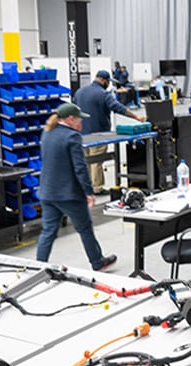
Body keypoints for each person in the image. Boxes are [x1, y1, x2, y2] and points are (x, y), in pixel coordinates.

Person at [36, 103, 117, 271]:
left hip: (48, 191)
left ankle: (37, 265)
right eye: (78, 118)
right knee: (85, 228)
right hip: (68, 194)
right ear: (70, 118)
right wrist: (88, 192)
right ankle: (97, 262)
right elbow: (80, 168)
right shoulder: (72, 137)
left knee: (48, 231)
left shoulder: (47, 132)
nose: (81, 121)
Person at [73, 69, 146, 193]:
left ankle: (85, 187)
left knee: (85, 161)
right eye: (108, 81)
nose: (109, 84)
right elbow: (118, 107)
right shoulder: (103, 94)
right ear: (103, 80)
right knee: (96, 161)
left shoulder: (80, 92)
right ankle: (97, 188)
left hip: (81, 134)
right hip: (99, 134)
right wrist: (136, 117)